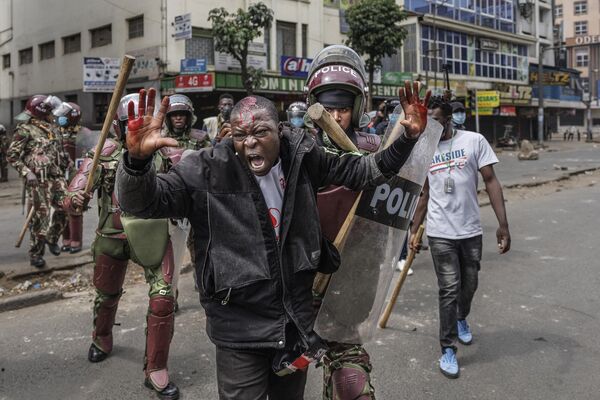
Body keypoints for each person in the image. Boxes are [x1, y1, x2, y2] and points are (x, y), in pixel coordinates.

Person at [115, 84, 429, 400]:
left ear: (279, 131)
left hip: (295, 323)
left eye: (260, 131)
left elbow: (366, 171)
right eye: (240, 135)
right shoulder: (205, 170)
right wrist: (136, 163)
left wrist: (408, 138)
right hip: (240, 330)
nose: (250, 141)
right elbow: (142, 203)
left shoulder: (304, 158)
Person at [64, 93, 181, 400]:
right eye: (131, 125)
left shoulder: (164, 152)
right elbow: (76, 188)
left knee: (163, 299)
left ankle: (156, 367)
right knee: (105, 296)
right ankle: (101, 338)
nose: (137, 130)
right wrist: (75, 197)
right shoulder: (104, 151)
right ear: (118, 126)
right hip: (111, 236)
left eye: (142, 124)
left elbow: (185, 185)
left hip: (153, 232)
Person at [304, 44, 391, 399]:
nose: (336, 116)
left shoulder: (378, 151)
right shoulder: (295, 149)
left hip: (351, 283)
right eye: (328, 107)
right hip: (299, 287)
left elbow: (396, 207)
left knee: (352, 386)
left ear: (357, 108)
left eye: (343, 107)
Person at [409, 96, 511, 379]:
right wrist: (414, 230)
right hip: (440, 231)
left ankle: (461, 317)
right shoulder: (424, 149)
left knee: (470, 283)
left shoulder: (474, 141)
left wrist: (503, 225)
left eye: (437, 121)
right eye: (427, 121)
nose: (432, 127)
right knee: (449, 289)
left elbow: (491, 181)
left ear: (449, 118)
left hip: (470, 230)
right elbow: (424, 193)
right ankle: (448, 348)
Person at [7, 95, 69, 268]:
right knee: (41, 216)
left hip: (56, 176)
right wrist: (27, 173)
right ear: (42, 113)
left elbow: (58, 152)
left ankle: (52, 237)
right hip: (37, 179)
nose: (53, 115)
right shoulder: (24, 130)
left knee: (67, 205)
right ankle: (36, 253)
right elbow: (12, 156)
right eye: (50, 112)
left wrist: (66, 162)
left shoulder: (54, 129)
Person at [53, 102, 85, 253]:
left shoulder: (83, 133)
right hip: (60, 175)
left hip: (75, 176)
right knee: (62, 207)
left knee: (74, 208)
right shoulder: (57, 132)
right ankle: (65, 240)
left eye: (64, 115)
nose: (60, 118)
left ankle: (76, 241)